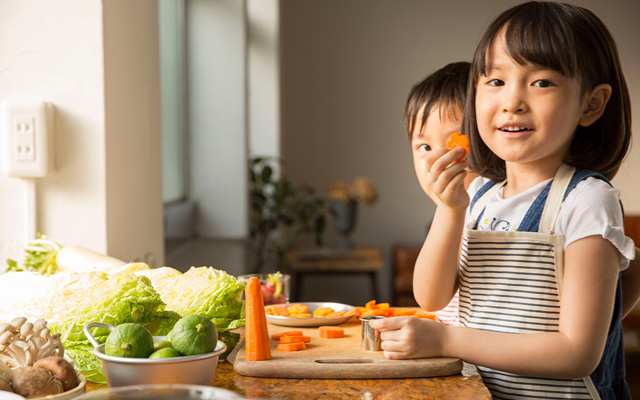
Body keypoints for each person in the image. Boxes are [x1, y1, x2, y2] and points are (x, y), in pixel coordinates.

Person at [371, 2, 636, 398]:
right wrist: (450, 209)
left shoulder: (586, 200)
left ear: (591, 104)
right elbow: (431, 296)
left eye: (541, 82)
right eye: (495, 81)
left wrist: (445, 341)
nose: (512, 101)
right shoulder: (479, 196)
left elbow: (577, 353)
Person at [403, 61, 476, 326]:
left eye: (455, 142)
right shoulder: (448, 216)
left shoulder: (497, 212)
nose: (438, 157)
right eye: (424, 146)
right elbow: (430, 300)